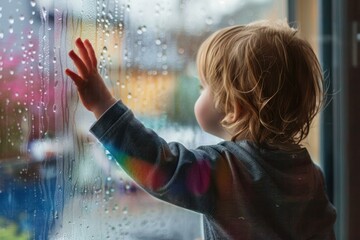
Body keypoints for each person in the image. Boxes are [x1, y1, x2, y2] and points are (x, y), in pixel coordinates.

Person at [65, 20, 336, 240]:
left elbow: (160, 166)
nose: (198, 92)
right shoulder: (310, 174)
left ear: (234, 108)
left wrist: (105, 107)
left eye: (204, 87)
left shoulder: (228, 170)